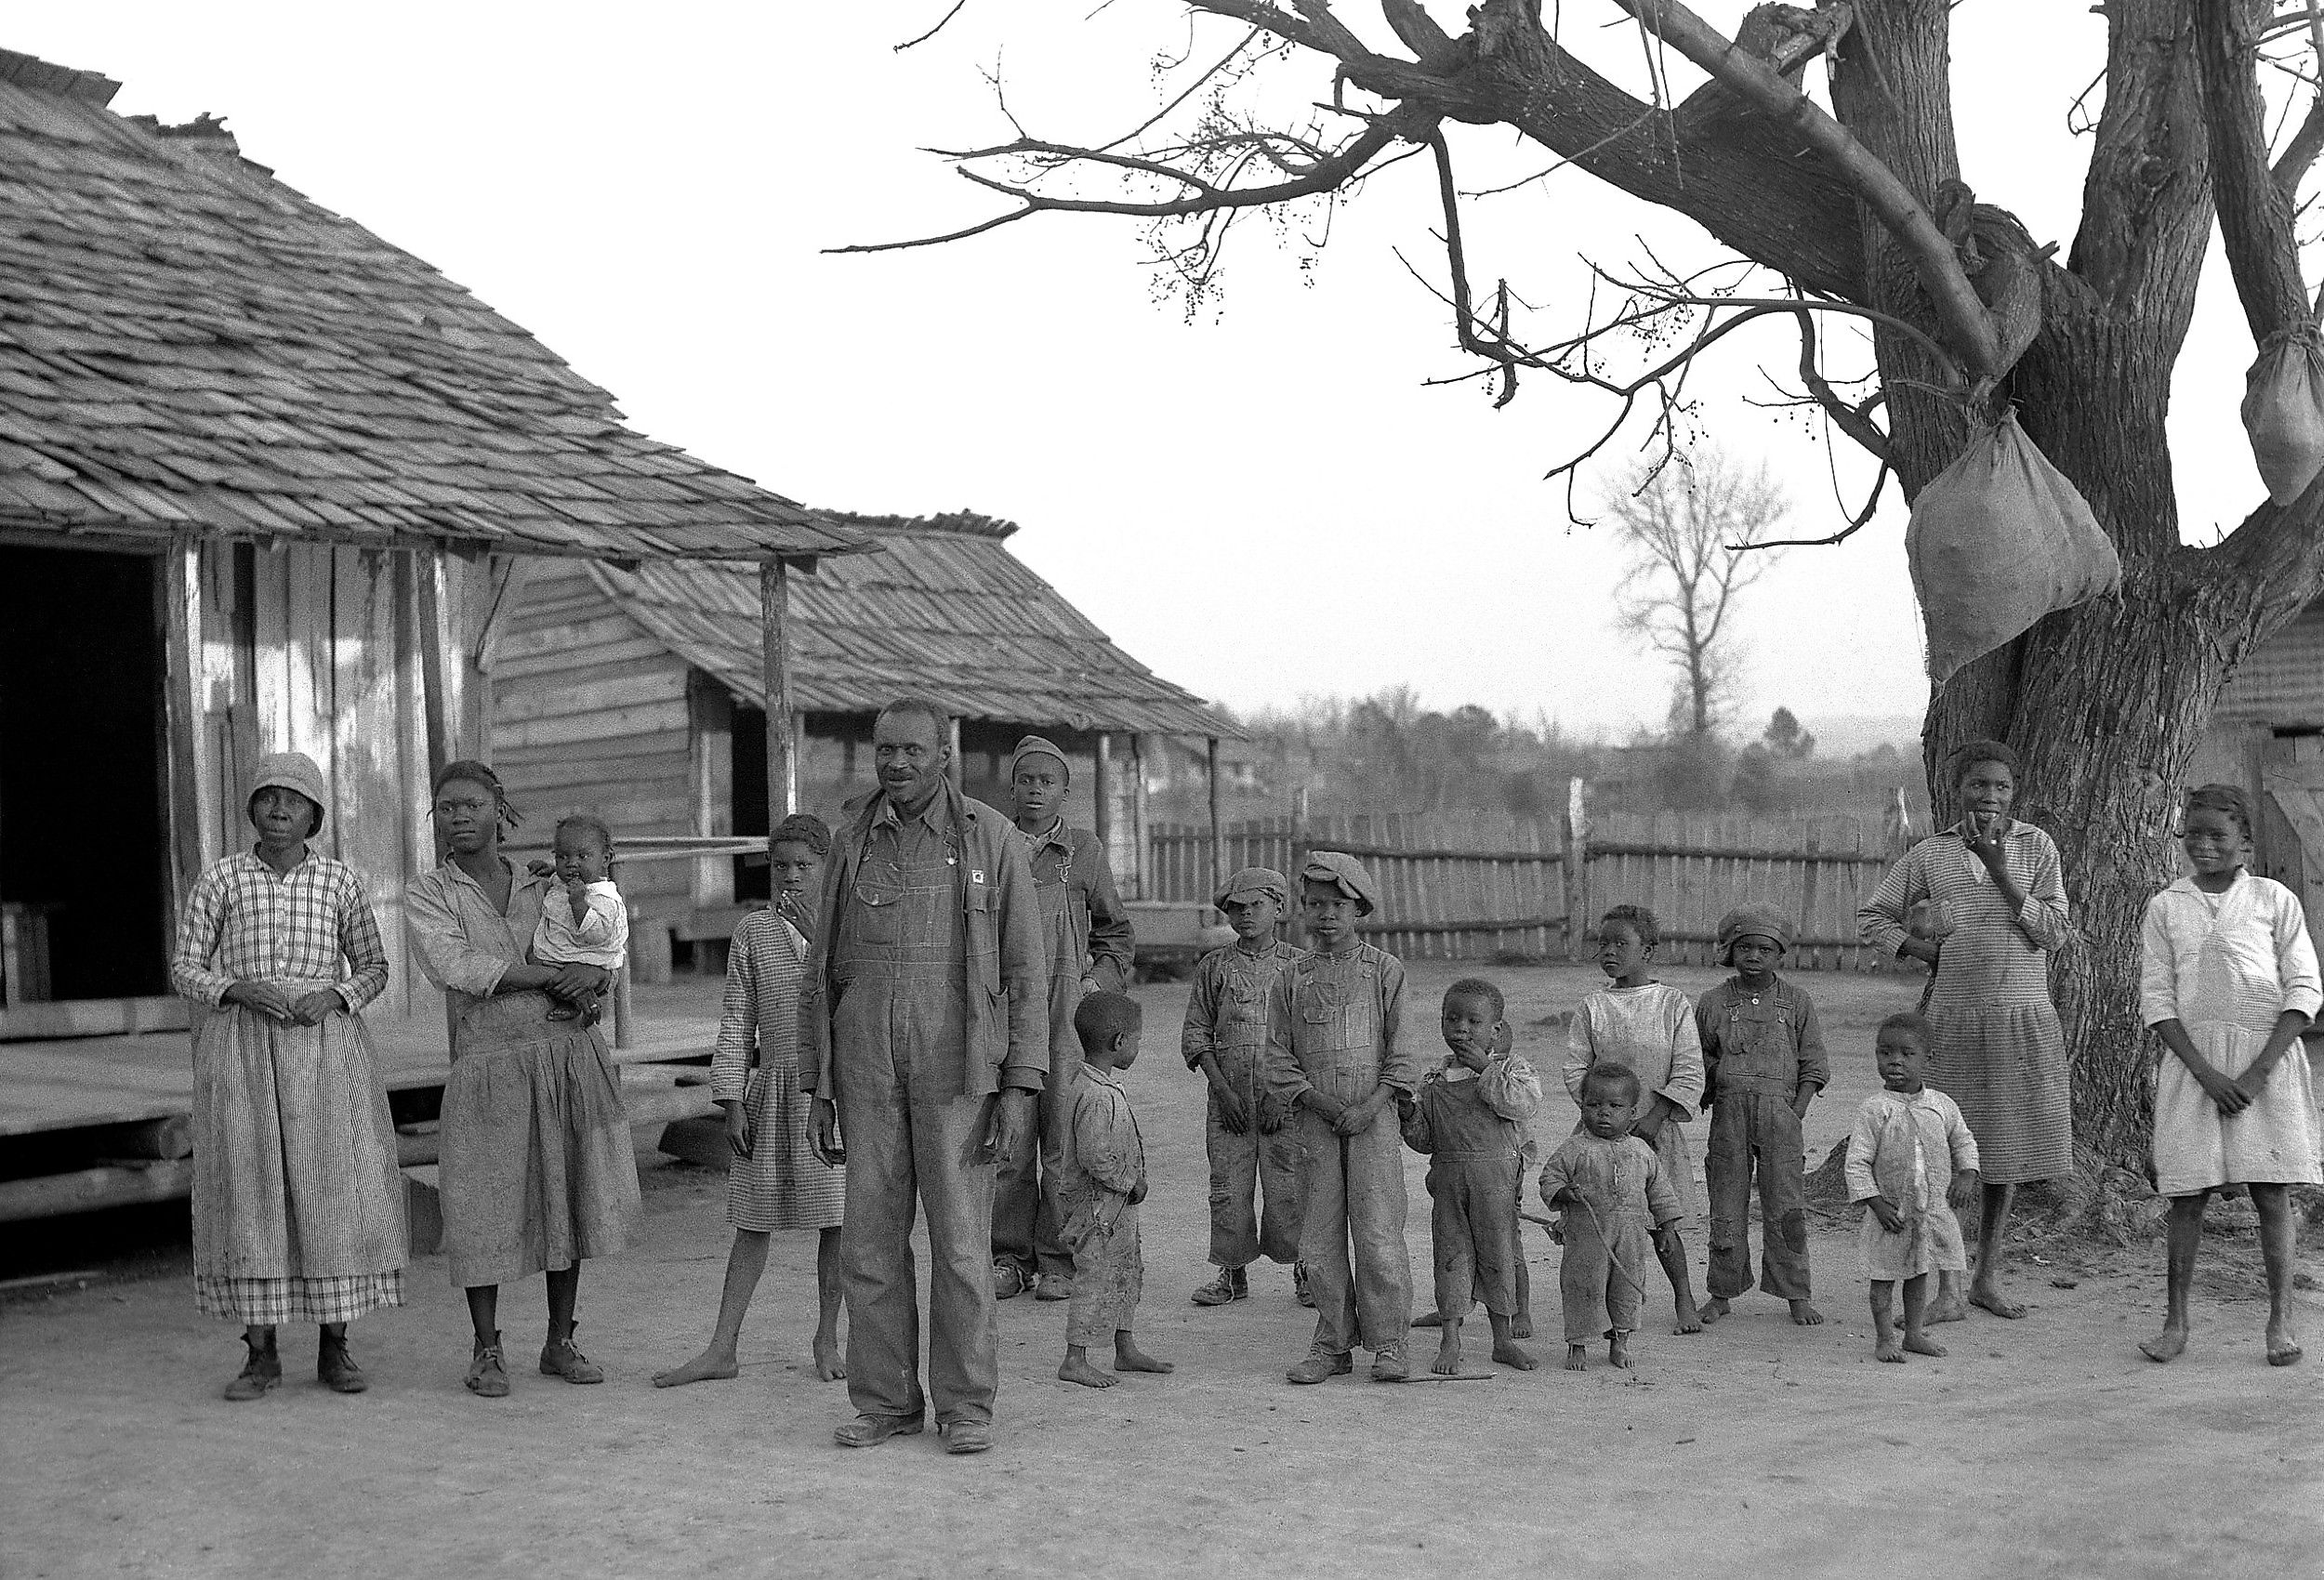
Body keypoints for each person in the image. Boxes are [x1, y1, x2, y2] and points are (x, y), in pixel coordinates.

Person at [799, 697, 1048, 1455]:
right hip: (867, 1069)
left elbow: (1026, 972)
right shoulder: (851, 843)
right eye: (884, 750)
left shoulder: (992, 839)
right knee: (869, 1244)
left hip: (959, 1073)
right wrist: (820, 1087)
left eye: (912, 749)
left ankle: (966, 1407)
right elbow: (821, 974)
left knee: (964, 1247)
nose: (896, 763)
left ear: (945, 753)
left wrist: (1019, 1085)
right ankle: (885, 1403)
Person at [170, 752, 404, 1401]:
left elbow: (375, 967)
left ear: (315, 815)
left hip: (324, 1053)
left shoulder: (340, 883)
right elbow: (186, 967)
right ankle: (260, 1354)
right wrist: (236, 988)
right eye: (268, 798)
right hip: (244, 1052)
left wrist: (335, 995)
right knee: (252, 1189)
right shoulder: (220, 880)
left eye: (295, 800)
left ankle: (336, 1348)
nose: (280, 810)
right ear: (251, 810)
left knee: (330, 1188)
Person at [406, 760, 641, 1398]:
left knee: (567, 1192)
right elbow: (456, 964)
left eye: (471, 805)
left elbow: (601, 945)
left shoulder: (547, 882)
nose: (459, 817)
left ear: (499, 810)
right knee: (481, 1201)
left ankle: (560, 1340)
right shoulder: (431, 893)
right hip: (486, 1059)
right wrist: (543, 976)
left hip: (564, 1049)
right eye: (446, 807)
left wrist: (596, 983)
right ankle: (486, 1348)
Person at [1859, 739, 2072, 1322]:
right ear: (1960, 790)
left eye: (2002, 787)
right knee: (1940, 1151)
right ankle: (1945, 1286)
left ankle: (1987, 1275)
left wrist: (2005, 876)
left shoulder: (2036, 847)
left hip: (2020, 1015)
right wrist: (1922, 948)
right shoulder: (1932, 854)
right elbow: (1872, 915)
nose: (1991, 797)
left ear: (2015, 793)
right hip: (1953, 1020)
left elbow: (2055, 932)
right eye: (1980, 786)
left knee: (2003, 1152)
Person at [654, 812, 847, 1389]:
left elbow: (853, 992)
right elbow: (737, 1019)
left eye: (804, 867)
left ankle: (827, 1339)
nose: (790, 878)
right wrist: (732, 1099)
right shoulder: (753, 933)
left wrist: (819, 936)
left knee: (836, 1222)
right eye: (780, 867)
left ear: (828, 868)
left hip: (832, 1094)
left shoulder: (846, 929)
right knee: (752, 1222)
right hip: (773, 1091)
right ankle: (722, 1347)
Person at [2136, 783, 2319, 1368]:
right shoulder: (2167, 906)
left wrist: (2259, 1070)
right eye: (2194, 833)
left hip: (2267, 1064)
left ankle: (2280, 1320)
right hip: (2195, 1069)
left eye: (2218, 834)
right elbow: (2157, 998)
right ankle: (2175, 1322)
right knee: (2187, 1196)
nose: (2204, 844)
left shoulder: (2273, 900)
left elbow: (2304, 988)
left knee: (2272, 1193)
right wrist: (2207, 1074)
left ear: (2244, 840)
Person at [1265, 851, 1419, 1384]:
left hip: (1373, 1125)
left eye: (1337, 905)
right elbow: (1277, 1056)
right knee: (1320, 1237)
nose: (1325, 915)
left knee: (1377, 1234)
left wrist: (1372, 1105)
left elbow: (1402, 1053)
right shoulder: (1291, 977)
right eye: (1314, 905)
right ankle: (1331, 1342)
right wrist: (1319, 1102)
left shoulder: (1385, 971)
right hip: (1316, 1125)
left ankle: (1390, 1342)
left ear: (1360, 909)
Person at [993, 734, 1134, 1303]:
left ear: (1065, 792)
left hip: (1065, 1019)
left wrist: (1095, 982)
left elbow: (1115, 931)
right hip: (1004, 1009)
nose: (1034, 790)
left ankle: (1058, 1258)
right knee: (1008, 1136)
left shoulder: (1085, 852)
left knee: (1063, 1138)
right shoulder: (991, 846)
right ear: (1013, 786)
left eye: (1046, 781)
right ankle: (1008, 1257)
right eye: (1025, 780)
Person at [1565, 903, 1707, 1334]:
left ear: (1648, 950)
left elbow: (1688, 1068)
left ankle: (1684, 1298)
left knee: (1662, 1219)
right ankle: (1602, 1313)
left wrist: (1653, 1116)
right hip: (1601, 1136)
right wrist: (1601, 1115)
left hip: (1654, 1133)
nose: (1609, 951)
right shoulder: (1593, 1007)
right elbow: (1575, 1068)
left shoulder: (1671, 1005)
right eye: (1602, 943)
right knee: (1598, 1223)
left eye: (1620, 943)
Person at [1182, 865, 1309, 1308]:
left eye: (1256, 905)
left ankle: (1305, 1270)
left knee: (1291, 1186)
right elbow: (1197, 1034)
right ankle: (1230, 1273)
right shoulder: (1214, 967)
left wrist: (1284, 1094)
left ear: (1279, 907)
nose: (1246, 915)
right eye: (1237, 908)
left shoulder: (1299, 967)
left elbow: (1310, 1042)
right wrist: (1222, 1090)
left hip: (1286, 1103)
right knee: (1228, 1187)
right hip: (1229, 1101)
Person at [1695, 903, 1828, 1326]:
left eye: (1764, 949)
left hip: (1782, 1118)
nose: (1754, 956)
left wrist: (1797, 1110)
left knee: (1786, 1206)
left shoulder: (1797, 1002)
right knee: (1726, 1203)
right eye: (1745, 947)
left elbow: (1813, 1063)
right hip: (1729, 1118)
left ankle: (1796, 1294)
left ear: (1780, 955)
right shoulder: (1713, 1002)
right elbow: (1697, 1060)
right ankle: (1721, 1292)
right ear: (1730, 951)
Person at [1399, 978, 1540, 1375]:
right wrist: (1409, 1115)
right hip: (1449, 1184)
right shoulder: (1434, 1080)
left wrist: (1485, 1070)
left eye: (1473, 1021)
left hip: (1494, 1184)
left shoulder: (1512, 1070)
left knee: (1498, 1256)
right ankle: (1450, 1340)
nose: (1461, 1028)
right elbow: (1425, 1141)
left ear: (1495, 1030)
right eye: (1452, 1018)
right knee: (1451, 1258)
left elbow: (1523, 1105)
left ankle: (1503, 1340)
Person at [1845, 1013, 1980, 1364]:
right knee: (1884, 1277)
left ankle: (1915, 1333)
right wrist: (1875, 1202)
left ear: (1927, 1059)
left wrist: (1967, 1173)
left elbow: (1963, 1140)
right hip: (1891, 1213)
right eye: (1885, 1053)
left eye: (1907, 1054)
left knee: (1919, 1273)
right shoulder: (1874, 1109)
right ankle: (1885, 1338)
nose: (1895, 1061)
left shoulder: (1942, 1105)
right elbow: (1857, 1162)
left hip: (1930, 1209)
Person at [1056, 992, 1173, 1388]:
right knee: (1096, 1275)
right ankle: (1076, 1357)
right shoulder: (1095, 1096)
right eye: (1137, 1039)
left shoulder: (1102, 1086)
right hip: (1098, 1208)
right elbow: (1094, 1156)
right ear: (1120, 1042)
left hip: (1116, 1208)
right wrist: (1131, 1181)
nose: (1139, 1046)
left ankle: (1125, 1346)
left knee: (1126, 1271)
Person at [1538, 1063, 1684, 1371]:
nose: (1603, 1112)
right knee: (1583, 1287)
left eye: (1615, 1106)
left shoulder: (1641, 1151)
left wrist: (1667, 1228)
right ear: (1582, 1108)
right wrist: (1564, 1192)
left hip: (1629, 1239)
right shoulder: (1575, 1148)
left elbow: (1660, 1192)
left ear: (1632, 1112)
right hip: (1586, 1238)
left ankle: (1620, 1343)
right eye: (1594, 1105)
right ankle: (1577, 1345)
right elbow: (1549, 1178)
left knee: (1625, 1289)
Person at [531, 814, 626, 1024]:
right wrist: (551, 871)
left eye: (583, 857)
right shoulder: (567, 880)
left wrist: (579, 904)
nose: (572, 864)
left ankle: (575, 1002)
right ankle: (575, 1000)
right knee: (536, 961)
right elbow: (559, 878)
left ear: (605, 859)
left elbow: (597, 935)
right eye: (563, 857)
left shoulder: (604, 898)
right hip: (563, 951)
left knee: (546, 969)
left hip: (587, 955)